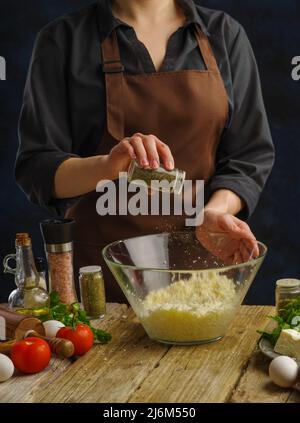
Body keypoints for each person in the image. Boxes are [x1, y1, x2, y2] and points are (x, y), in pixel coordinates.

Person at [15, 0, 275, 302]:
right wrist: (108, 166)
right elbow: (37, 167)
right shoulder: (63, 40)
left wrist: (215, 211)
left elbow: (248, 156)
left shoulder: (224, 35)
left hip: (203, 279)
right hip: (99, 286)